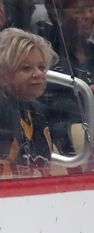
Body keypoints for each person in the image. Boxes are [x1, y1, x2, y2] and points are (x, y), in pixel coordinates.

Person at [37, 0, 94, 154]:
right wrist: (93, 89)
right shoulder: (47, 48)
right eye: (79, 12)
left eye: (91, 10)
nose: (88, 16)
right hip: (62, 136)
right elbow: (56, 101)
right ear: (58, 16)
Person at [0, 27, 58, 177]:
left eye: (41, 67)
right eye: (26, 68)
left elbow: (52, 169)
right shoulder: (3, 112)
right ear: (3, 74)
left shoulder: (37, 110)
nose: (39, 74)